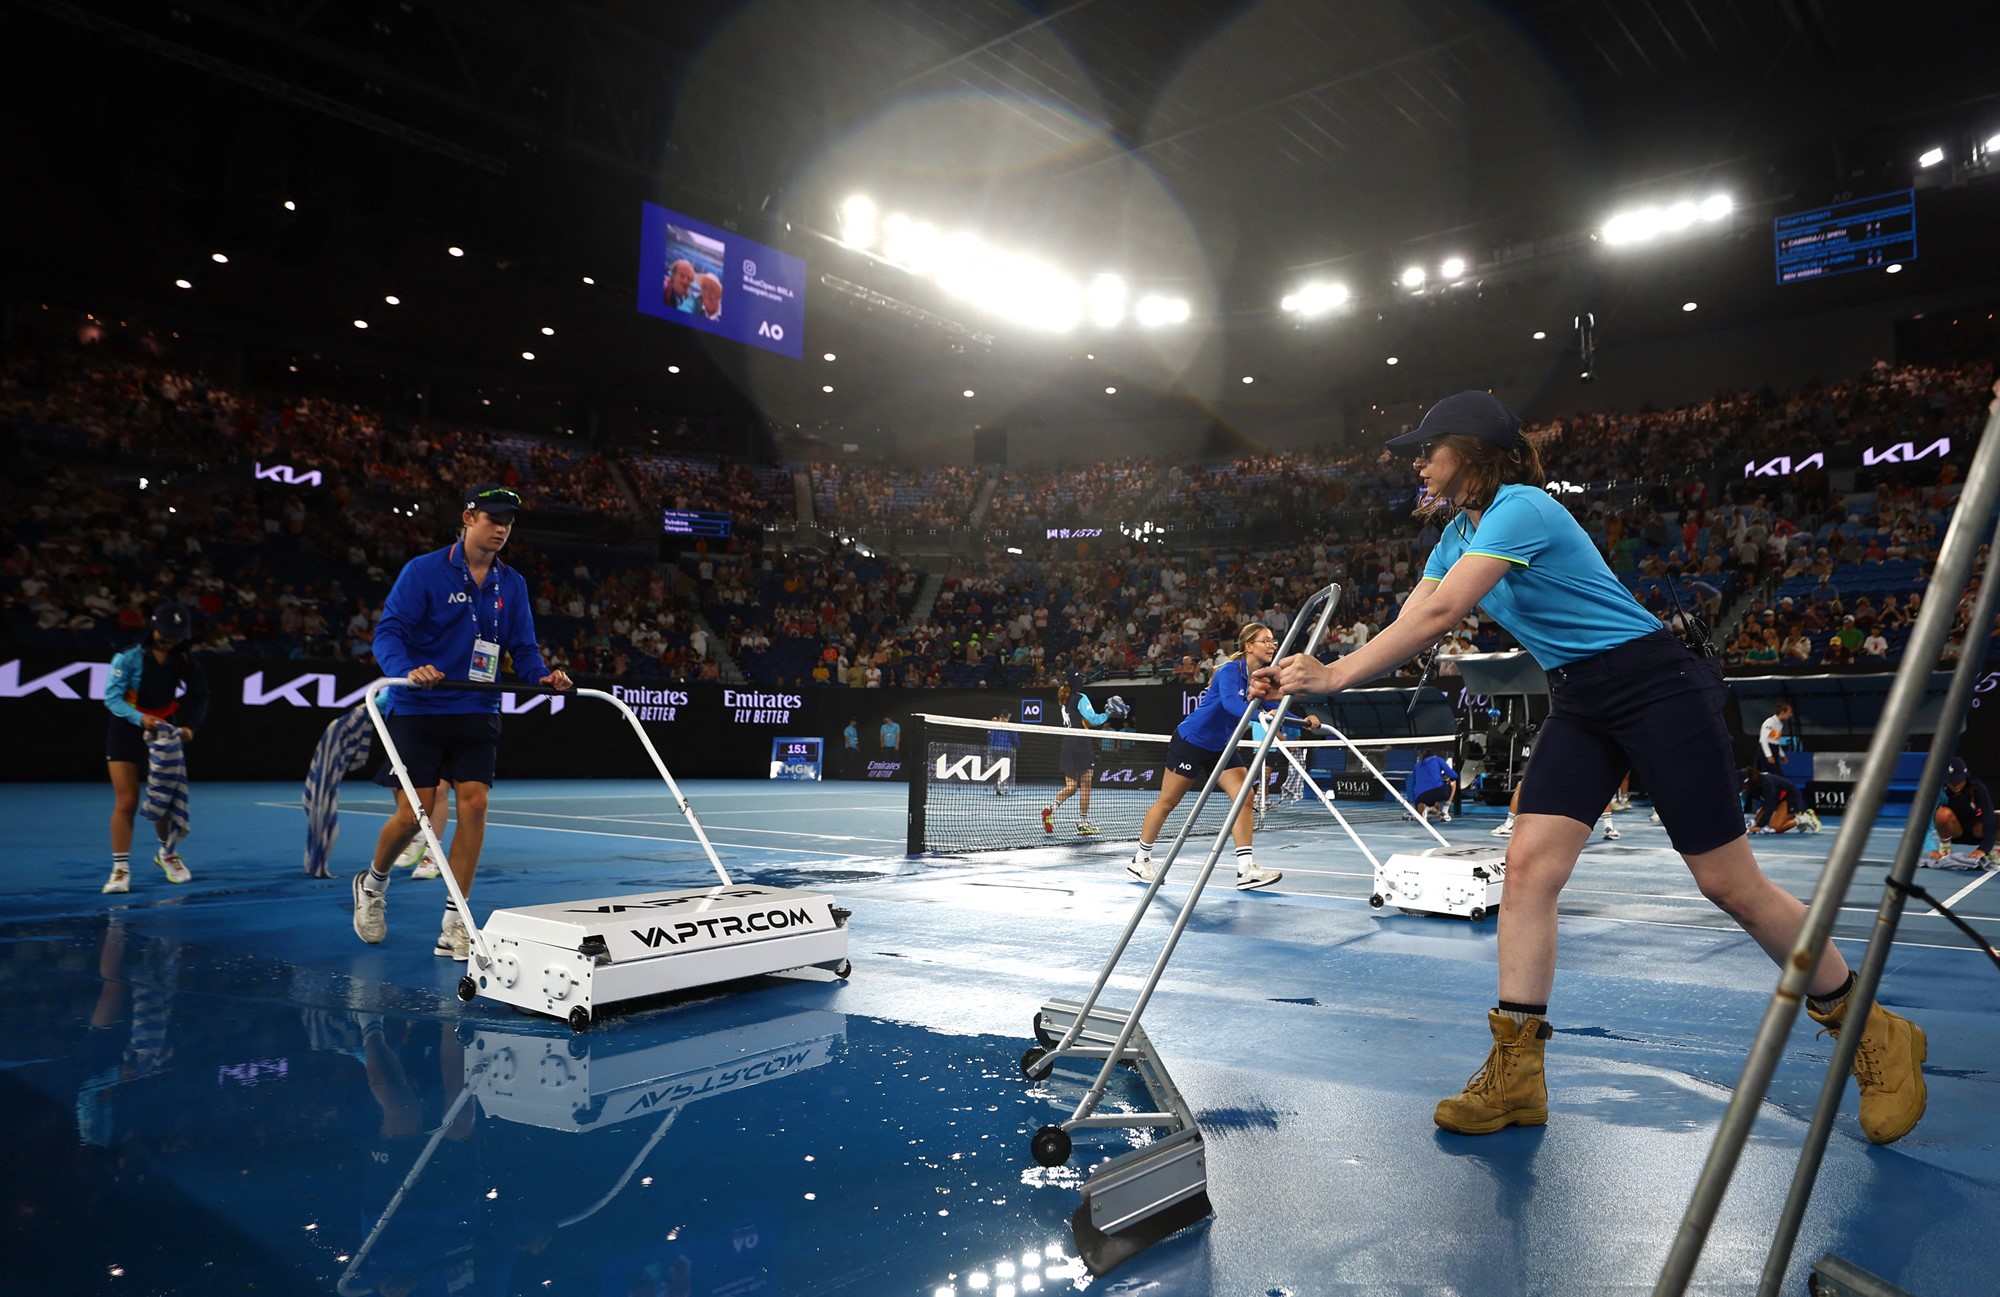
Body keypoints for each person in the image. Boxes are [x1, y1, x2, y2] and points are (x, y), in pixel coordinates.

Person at [1257, 391, 1925, 1144]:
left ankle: (1870, 1026)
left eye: (1428, 447)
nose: (1417, 461)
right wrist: (1310, 672)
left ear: (1471, 454)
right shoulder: (1455, 534)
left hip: (1656, 685)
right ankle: (1517, 1074)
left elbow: (1444, 618)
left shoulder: (1521, 509)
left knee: (1728, 882)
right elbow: (1416, 617)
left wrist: (1334, 676)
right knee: (1528, 869)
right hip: (1580, 694)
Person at [350, 485, 572, 961]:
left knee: (474, 803)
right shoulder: (423, 571)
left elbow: (524, 649)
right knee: (415, 817)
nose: (501, 529)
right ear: (468, 518)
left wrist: (542, 676)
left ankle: (456, 921)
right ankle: (372, 884)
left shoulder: (511, 584)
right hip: (418, 709)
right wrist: (407, 670)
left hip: (476, 708)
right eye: (493, 519)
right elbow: (389, 632)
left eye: (508, 523)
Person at [1129, 622, 1314, 891]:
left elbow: (1275, 706)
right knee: (1168, 802)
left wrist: (1304, 722)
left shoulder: (1262, 678)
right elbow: (1231, 704)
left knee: (1245, 797)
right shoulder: (1229, 671)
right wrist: (1262, 716)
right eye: (1266, 640)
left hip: (1222, 747)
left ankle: (1245, 870)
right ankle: (1140, 859)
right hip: (1191, 742)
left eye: (1274, 640)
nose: (1272, 645)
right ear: (1248, 646)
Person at [101, 603, 209, 893]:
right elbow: (112, 699)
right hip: (126, 731)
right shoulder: (128, 658)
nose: (171, 640)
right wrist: (141, 718)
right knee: (127, 802)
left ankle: (167, 854)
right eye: (166, 634)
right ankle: (120, 869)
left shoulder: (185, 660)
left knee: (162, 803)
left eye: (177, 635)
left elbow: (200, 697)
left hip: (164, 734)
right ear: (153, 627)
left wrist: (190, 727)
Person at [1042, 676, 1109, 835]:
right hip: (1081, 744)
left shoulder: (1064, 699)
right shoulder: (1080, 697)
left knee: (1071, 787)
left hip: (1067, 744)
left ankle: (1050, 809)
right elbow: (1093, 719)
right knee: (1086, 786)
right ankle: (1083, 822)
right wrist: (1108, 714)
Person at [1932, 756, 1995, 864]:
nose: (1955, 786)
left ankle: (1996, 852)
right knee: (1941, 814)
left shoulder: (1978, 788)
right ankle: (1945, 849)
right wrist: (1931, 849)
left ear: (1965, 775)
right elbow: (1925, 822)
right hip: (1955, 831)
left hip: (1977, 831)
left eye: (1959, 782)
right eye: (1951, 782)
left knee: (1997, 816)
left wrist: (1984, 848)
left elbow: (1989, 818)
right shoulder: (1940, 790)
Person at [1407, 748, 1458, 824]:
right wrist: (1447, 780)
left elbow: (1413, 785)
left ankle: (1427, 808)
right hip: (1438, 791)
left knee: (1436, 809)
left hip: (1421, 797)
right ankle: (1445, 812)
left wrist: (1416, 805)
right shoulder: (1438, 759)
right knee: (1453, 782)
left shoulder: (1417, 765)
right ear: (1434, 755)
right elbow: (1454, 776)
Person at [1757, 701, 1794, 777]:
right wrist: (1769, 755)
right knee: (1772, 775)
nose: (1791, 714)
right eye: (1789, 712)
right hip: (1766, 750)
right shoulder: (1770, 722)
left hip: (1774, 749)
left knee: (1775, 776)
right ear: (1782, 712)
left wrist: (1782, 755)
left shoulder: (1780, 724)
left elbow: (1775, 741)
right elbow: (1764, 739)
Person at [987, 710, 1019, 797]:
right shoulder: (1010, 727)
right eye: (1008, 717)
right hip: (1006, 751)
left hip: (995, 750)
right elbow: (1015, 740)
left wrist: (990, 750)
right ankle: (1001, 784)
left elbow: (990, 739)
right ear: (1005, 717)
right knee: (1004, 769)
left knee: (999, 769)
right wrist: (1016, 745)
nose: (1008, 718)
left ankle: (1000, 785)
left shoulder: (994, 726)